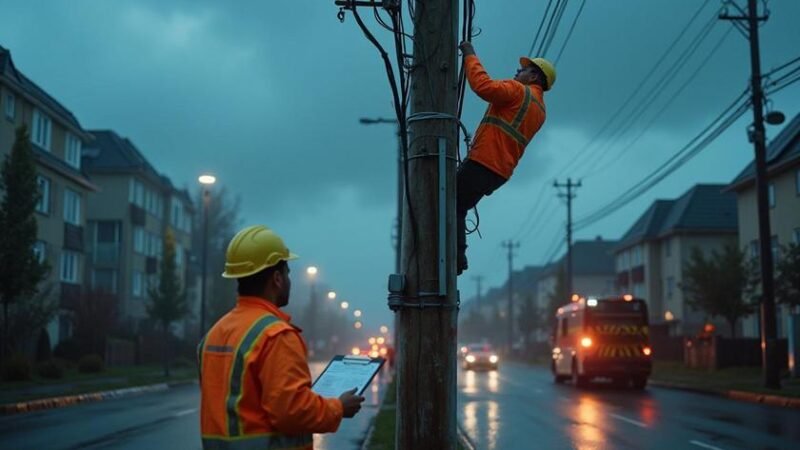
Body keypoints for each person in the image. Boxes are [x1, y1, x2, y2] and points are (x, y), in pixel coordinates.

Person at [198, 225, 365, 449]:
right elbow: (292, 412)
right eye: (288, 273)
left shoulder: (214, 333)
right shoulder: (276, 335)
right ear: (277, 278)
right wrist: (338, 407)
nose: (289, 281)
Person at [457, 41, 556, 275]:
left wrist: (470, 55)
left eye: (522, 70)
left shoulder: (517, 91)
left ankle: (455, 258)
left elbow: (483, 86)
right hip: (499, 171)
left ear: (534, 76)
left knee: (449, 204)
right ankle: (455, 256)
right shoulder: (540, 110)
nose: (516, 72)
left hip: (484, 160)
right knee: (457, 205)